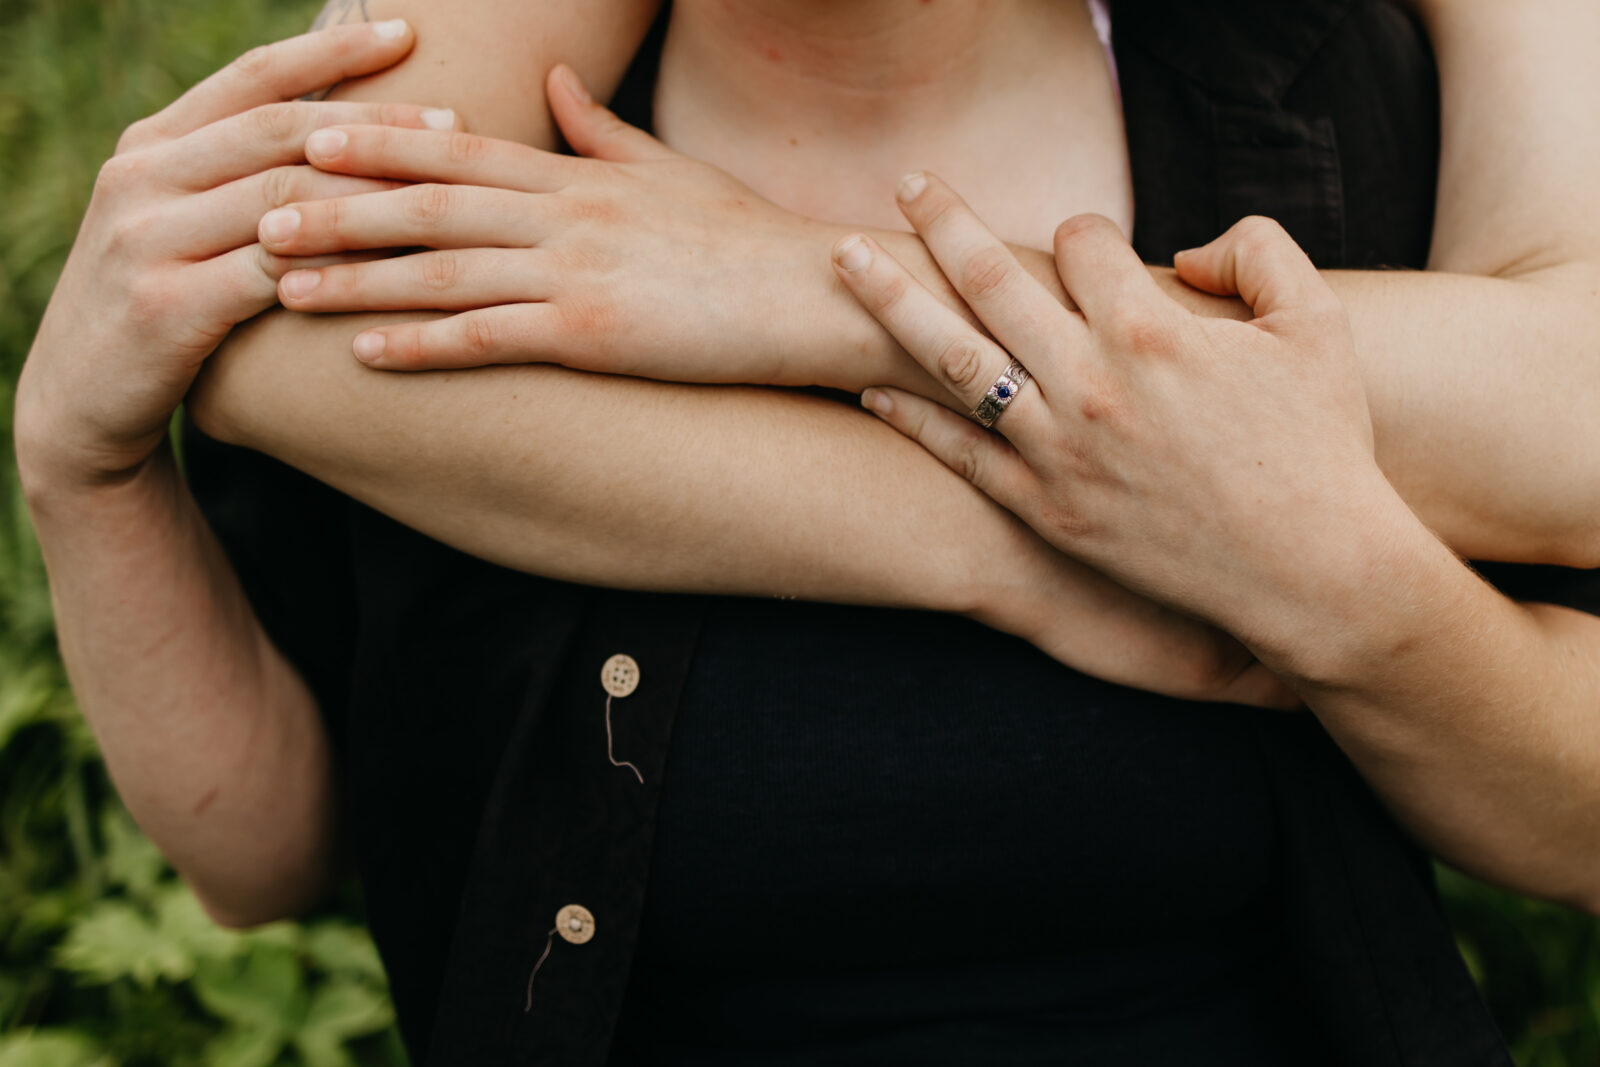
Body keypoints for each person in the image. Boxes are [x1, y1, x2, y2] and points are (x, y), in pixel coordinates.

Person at [15, 0, 1600, 1063]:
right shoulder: (479, 212)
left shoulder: (1318, 115)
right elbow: (265, 855)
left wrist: (793, 285)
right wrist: (1026, 549)